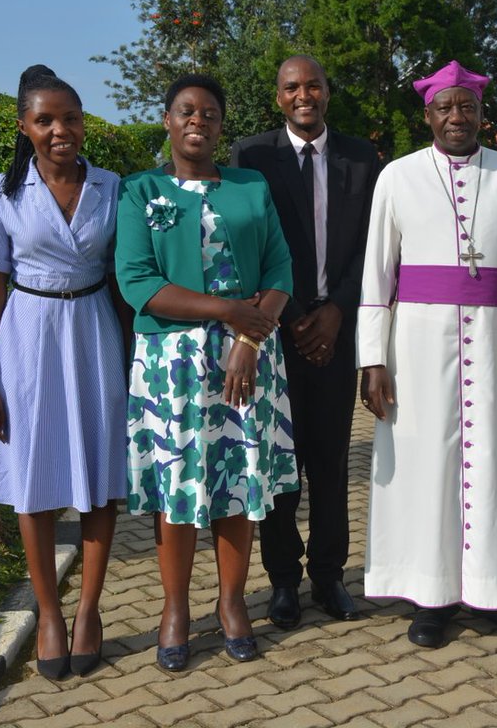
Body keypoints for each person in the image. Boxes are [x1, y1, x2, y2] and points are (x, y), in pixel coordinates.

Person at [357, 60, 497, 648]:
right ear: (428, 114)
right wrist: (372, 360)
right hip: (418, 348)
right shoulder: (397, 176)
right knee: (428, 469)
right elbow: (377, 274)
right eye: (444, 107)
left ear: (480, 113)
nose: (456, 116)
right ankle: (431, 596)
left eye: (465, 107)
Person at [115, 74, 298, 671]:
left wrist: (247, 335)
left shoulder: (250, 185)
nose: (199, 120)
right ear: (167, 120)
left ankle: (231, 604)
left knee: (239, 482)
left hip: (249, 359)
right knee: (180, 487)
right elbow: (137, 281)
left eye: (211, 113)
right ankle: (173, 610)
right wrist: (225, 310)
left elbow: (280, 268)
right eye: (187, 111)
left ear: (222, 125)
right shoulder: (141, 191)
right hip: (174, 367)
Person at [0, 64, 128, 679]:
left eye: (71, 117)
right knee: (32, 475)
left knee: (100, 471)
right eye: (45, 119)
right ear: (24, 126)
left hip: (94, 332)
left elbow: (128, 274)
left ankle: (88, 610)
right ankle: (49, 613)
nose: (61, 130)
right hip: (27, 337)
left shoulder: (114, 188)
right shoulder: (0, 194)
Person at [231, 55, 379, 628]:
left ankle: (329, 575)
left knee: (331, 460)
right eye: (292, 86)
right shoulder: (253, 156)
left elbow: (372, 244)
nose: (303, 94)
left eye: (313, 84)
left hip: (336, 331)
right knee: (279, 462)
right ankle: (284, 582)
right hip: (276, 330)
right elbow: (252, 244)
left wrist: (338, 311)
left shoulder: (361, 157)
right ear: (278, 97)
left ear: (327, 91)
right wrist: (292, 315)